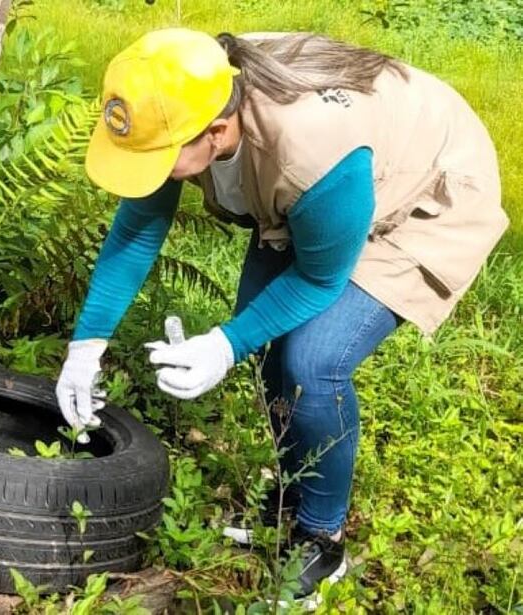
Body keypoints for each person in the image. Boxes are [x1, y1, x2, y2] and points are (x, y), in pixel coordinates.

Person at [54, 28, 509, 604]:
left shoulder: (309, 151)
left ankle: (324, 538)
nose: (151, 171)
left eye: (159, 159)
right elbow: (138, 228)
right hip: (334, 191)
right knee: (265, 340)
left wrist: (222, 343)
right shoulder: (179, 95)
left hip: (423, 191)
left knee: (312, 360)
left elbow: (320, 278)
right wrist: (85, 347)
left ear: (218, 131)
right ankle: (292, 504)